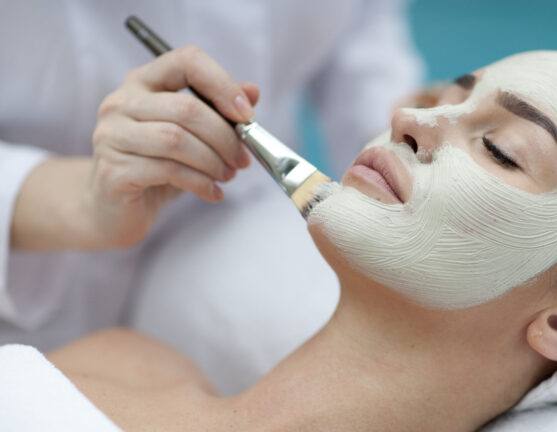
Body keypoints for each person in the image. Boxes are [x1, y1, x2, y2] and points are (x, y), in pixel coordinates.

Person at [45, 50, 557, 431]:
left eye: (502, 150)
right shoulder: (117, 360)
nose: (413, 120)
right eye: (444, 100)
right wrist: (79, 203)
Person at [0, 1, 423, 348]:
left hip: (247, 244)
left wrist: (398, 145)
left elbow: (359, 26)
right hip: (46, 303)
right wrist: (83, 201)